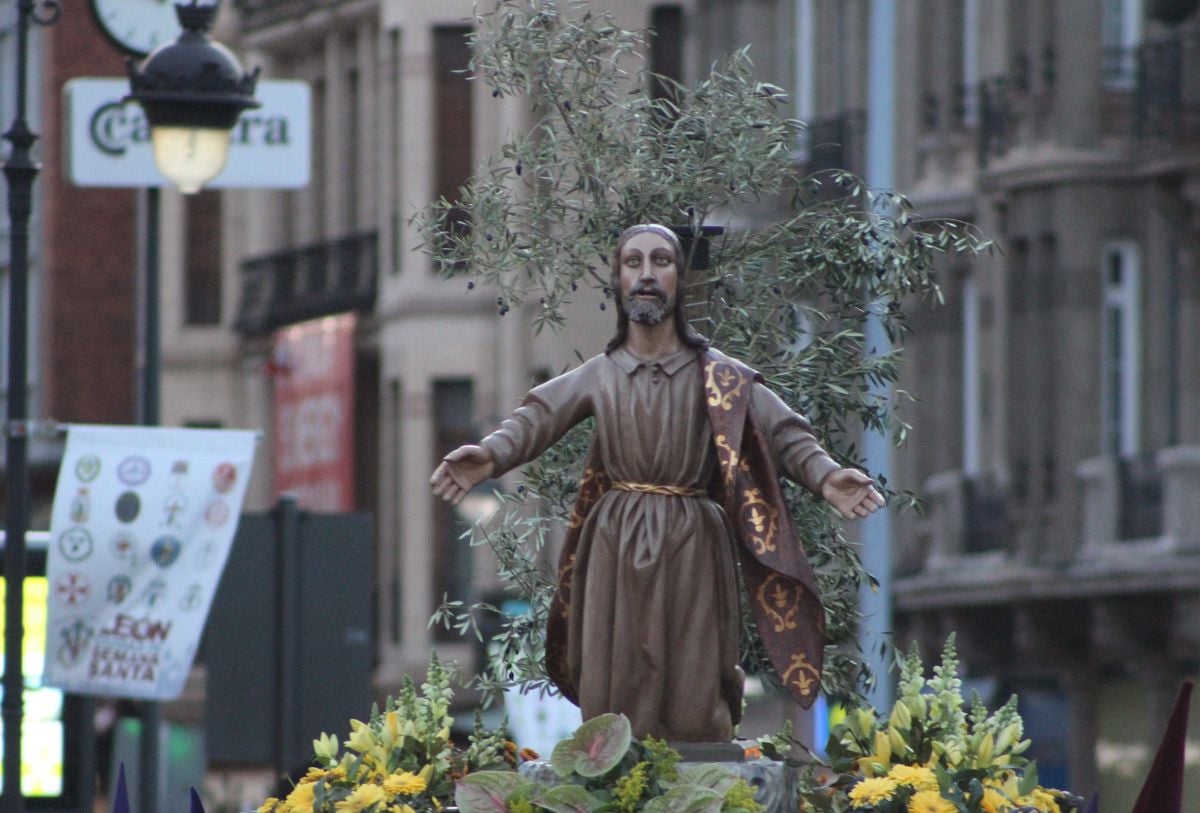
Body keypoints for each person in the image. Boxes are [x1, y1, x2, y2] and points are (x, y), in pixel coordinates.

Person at [431, 224, 883, 742]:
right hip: (615, 542)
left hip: (694, 542)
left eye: (661, 261)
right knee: (613, 692)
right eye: (634, 263)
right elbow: (536, 417)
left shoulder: (720, 376)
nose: (646, 274)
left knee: (695, 696)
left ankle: (703, 769)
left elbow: (784, 432)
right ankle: (610, 772)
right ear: (617, 280)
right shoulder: (600, 374)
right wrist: (490, 454)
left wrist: (826, 476)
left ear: (679, 280)